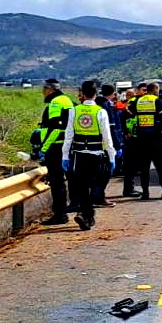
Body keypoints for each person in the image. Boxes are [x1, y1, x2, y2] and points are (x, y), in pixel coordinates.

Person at [62, 81, 116, 230]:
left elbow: (68, 135)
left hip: (78, 154)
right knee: (95, 185)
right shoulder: (100, 111)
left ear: (82, 94)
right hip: (96, 154)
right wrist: (112, 156)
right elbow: (107, 137)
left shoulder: (74, 110)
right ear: (96, 93)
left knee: (82, 185)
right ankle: (86, 213)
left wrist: (65, 156)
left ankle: (86, 213)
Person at [129, 82, 162, 199]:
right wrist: (157, 124)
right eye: (157, 89)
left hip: (141, 138)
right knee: (161, 167)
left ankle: (145, 193)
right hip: (154, 139)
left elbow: (129, 112)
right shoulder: (157, 100)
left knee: (144, 167)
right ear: (154, 89)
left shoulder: (138, 101)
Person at [39, 79, 75, 226]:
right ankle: (77, 208)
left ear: (50, 89)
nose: (43, 92)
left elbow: (55, 128)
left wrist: (44, 148)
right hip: (68, 146)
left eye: (44, 89)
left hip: (55, 148)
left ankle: (60, 215)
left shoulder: (55, 103)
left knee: (57, 182)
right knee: (72, 179)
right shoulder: (68, 100)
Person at [91, 84, 123, 207]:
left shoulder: (96, 104)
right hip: (106, 145)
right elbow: (111, 127)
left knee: (98, 173)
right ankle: (98, 197)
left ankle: (96, 196)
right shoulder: (106, 106)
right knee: (105, 173)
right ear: (113, 93)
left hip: (93, 144)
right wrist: (117, 145)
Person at [121, 82, 148, 197]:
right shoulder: (133, 102)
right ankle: (128, 189)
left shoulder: (147, 102)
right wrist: (126, 132)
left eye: (146, 90)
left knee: (139, 165)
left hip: (141, 137)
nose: (145, 92)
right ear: (138, 91)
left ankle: (135, 189)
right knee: (130, 165)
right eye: (143, 90)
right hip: (132, 138)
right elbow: (124, 116)